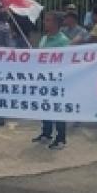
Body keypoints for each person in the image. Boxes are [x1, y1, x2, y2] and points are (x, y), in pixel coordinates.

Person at [32, 11, 69, 149]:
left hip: (56, 81)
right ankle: (46, 133)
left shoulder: (63, 41)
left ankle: (61, 138)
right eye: (45, 20)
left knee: (57, 109)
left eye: (48, 20)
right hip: (44, 79)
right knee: (45, 106)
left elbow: (65, 62)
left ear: (56, 23)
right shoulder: (44, 38)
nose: (44, 22)